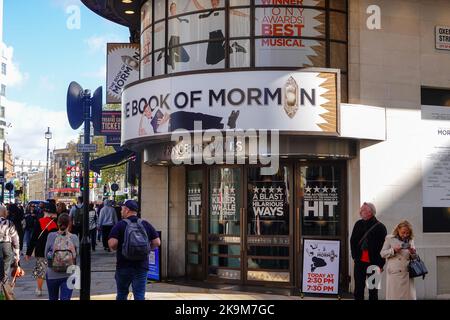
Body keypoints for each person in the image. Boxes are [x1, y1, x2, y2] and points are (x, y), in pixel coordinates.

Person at [108, 200, 160, 300]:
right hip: (141, 266)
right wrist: (147, 249)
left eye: (122, 209)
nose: (121, 211)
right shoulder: (145, 224)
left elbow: (112, 244)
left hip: (123, 265)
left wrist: (120, 247)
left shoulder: (120, 225)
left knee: (122, 294)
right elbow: (157, 242)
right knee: (140, 295)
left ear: (127, 210)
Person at [350, 202, 387, 300]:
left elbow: (384, 247)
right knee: (358, 289)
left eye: (362, 210)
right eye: (361, 210)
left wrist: (380, 265)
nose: (360, 212)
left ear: (370, 212)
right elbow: (352, 241)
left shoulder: (380, 227)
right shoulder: (358, 224)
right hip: (360, 262)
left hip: (374, 263)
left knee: (373, 290)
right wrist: (355, 257)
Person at [25, 202, 58, 296]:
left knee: (40, 271)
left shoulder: (40, 221)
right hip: (54, 250)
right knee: (53, 271)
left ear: (45, 212)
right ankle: (53, 290)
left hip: (41, 250)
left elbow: (33, 238)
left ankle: (39, 289)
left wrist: (28, 252)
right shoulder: (57, 223)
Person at [44, 213, 79, 301]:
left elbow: (46, 254)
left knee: (52, 298)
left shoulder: (51, 236)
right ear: (69, 223)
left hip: (52, 273)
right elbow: (77, 256)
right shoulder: (74, 237)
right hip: (69, 274)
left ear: (58, 223)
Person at [380, 220, 417, 300]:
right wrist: (393, 250)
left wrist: (412, 252)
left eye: (407, 233)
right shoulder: (390, 238)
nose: (405, 235)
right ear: (398, 230)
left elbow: (415, 258)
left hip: (407, 273)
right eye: (403, 232)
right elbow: (382, 254)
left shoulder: (411, 240)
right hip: (395, 274)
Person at [0, 205, 20, 284]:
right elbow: (15, 240)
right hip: (6, 246)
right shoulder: (9, 223)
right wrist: (17, 255)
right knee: (6, 269)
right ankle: (4, 286)